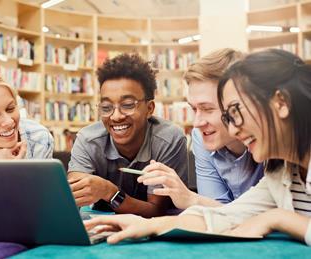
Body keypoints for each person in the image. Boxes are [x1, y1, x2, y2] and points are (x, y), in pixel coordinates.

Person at [85, 49, 311, 246]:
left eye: (235, 112)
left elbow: (261, 218)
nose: (233, 130)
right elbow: (227, 216)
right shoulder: (280, 172)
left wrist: (278, 218)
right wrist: (149, 225)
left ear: (281, 103)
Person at [137, 48, 263, 210]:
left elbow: (273, 214)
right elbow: (218, 213)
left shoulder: (269, 142)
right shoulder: (201, 136)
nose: (196, 123)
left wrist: (191, 199)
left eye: (208, 109)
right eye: (194, 109)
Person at [67, 53, 188, 217]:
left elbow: (156, 210)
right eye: (106, 106)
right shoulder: (87, 140)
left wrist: (110, 192)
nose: (116, 116)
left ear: (149, 109)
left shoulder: (169, 139)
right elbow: (73, 200)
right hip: (103, 230)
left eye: (128, 104)